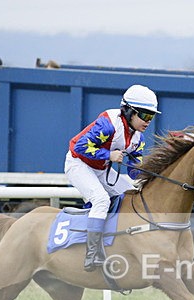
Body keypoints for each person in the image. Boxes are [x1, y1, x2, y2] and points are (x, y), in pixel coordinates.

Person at [65, 84, 161, 271]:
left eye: (151, 116)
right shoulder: (108, 123)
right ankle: (91, 254)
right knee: (101, 199)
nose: (148, 121)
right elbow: (79, 147)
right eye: (144, 115)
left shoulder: (138, 139)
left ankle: (117, 240)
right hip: (78, 164)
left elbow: (134, 171)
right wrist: (109, 156)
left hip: (101, 169)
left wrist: (153, 173)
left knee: (130, 195)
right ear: (129, 112)